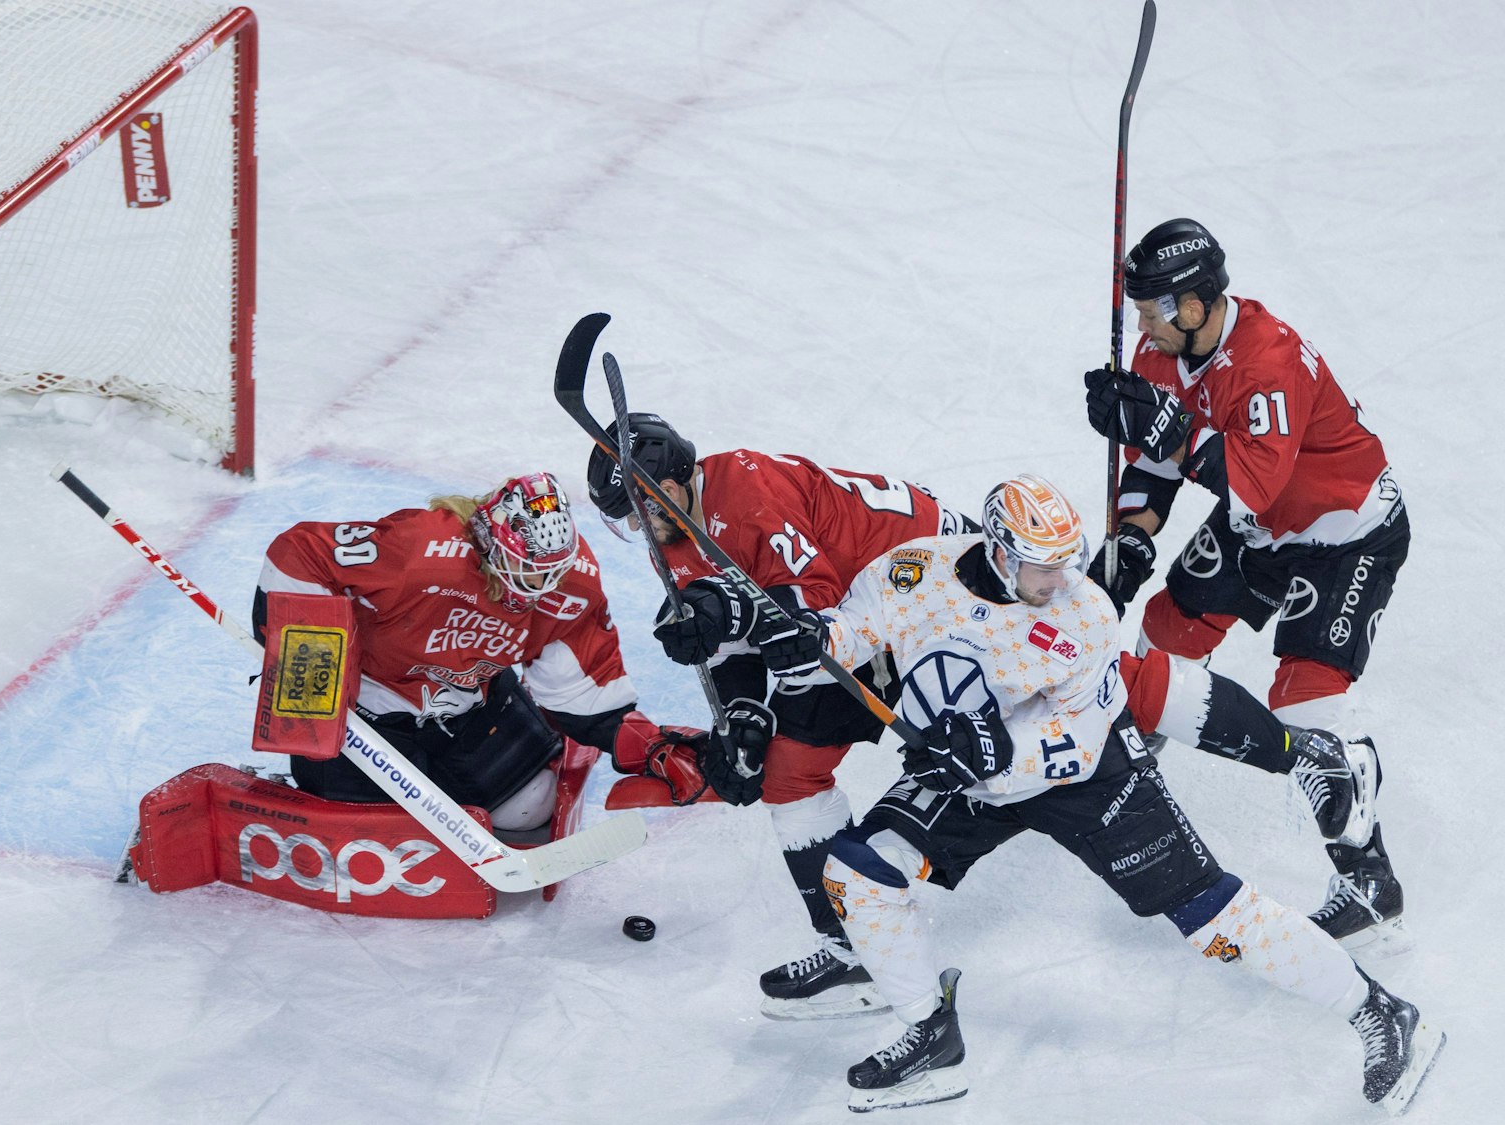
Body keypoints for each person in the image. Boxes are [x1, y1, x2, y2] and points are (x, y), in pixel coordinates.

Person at [795, 475, 1439, 1113]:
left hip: (1087, 775)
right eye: (1044, 567)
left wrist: (993, 753)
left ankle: (1380, 1011)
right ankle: (931, 1037)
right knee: (858, 871)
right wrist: (806, 638)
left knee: (1210, 917)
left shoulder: (1083, 614)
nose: (1061, 579)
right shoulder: (914, 571)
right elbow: (851, 632)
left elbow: (1076, 744)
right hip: (964, 773)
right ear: (1000, 553)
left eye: (1066, 561)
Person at [1081, 217, 1407, 947]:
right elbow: (1157, 466)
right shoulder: (1162, 349)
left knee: (1305, 700)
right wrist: (1132, 538)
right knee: (1167, 627)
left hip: (1343, 534)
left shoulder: (1269, 360)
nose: (1141, 326)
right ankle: (1134, 743)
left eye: (1151, 311)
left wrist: (1169, 430)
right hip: (1259, 527)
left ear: (1194, 306)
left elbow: (1249, 483)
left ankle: (1370, 881)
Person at [586, 414, 972, 1018]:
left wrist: (724, 614)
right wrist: (742, 715)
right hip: (868, 608)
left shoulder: (746, 498)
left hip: (944, 590)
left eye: (641, 510)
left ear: (675, 482)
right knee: (787, 774)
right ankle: (858, 945)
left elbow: (809, 613)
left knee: (1040, 733)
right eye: (628, 517)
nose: (639, 526)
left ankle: (867, 946)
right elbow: (738, 635)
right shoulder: (679, 528)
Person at [252, 472, 706, 832]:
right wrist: (310, 675)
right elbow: (301, 554)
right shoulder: (420, 551)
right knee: (373, 826)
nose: (541, 587)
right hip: (372, 714)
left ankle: (442, 779)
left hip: (470, 711)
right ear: (490, 542)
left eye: (553, 571)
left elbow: (586, 689)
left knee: (530, 808)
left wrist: (647, 746)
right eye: (527, 569)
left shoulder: (573, 585)